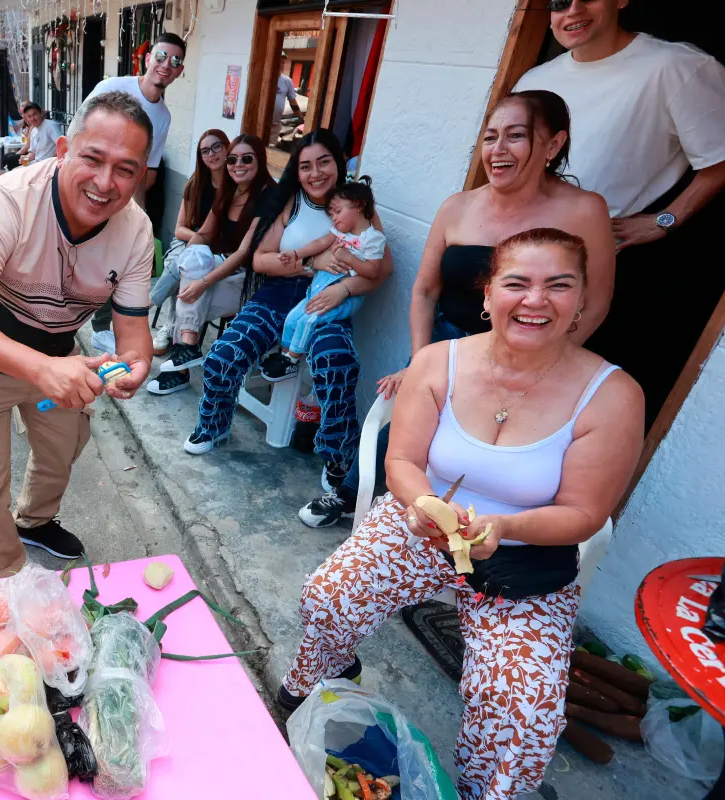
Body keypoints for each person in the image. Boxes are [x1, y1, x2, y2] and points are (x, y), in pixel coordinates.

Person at [282, 228, 644, 800]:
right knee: (329, 595)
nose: (534, 300)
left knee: (521, 711)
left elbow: (584, 511)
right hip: (422, 525)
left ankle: (482, 790)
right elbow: (401, 458)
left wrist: (507, 528)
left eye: (558, 285)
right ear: (487, 293)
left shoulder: (613, 394)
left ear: (581, 301)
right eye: (517, 283)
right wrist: (422, 503)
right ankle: (323, 671)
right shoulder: (437, 361)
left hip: (525, 555)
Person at [299, 91, 615, 528]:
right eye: (490, 137)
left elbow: (595, 300)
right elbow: (425, 290)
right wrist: (421, 357)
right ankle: (354, 497)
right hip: (447, 341)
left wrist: (548, 363)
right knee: (401, 429)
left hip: (531, 354)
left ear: (554, 144)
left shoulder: (583, 211)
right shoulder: (458, 207)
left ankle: (478, 531)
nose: (498, 149)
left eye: (516, 136)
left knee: (493, 445)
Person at [0, 91, 157, 579]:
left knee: (62, 450)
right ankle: (4, 583)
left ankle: (34, 521)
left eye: (125, 169)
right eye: (93, 159)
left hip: (59, 354)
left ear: (140, 176)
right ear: (61, 151)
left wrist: (137, 364)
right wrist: (40, 368)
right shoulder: (8, 201)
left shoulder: (137, 232)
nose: (104, 183)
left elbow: (134, 332)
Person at [515, 0, 725, 431]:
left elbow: (719, 159)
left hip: (616, 270)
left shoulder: (676, 68)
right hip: (527, 261)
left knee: (576, 406)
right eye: (557, 2)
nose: (571, 10)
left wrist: (665, 219)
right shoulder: (536, 80)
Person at [185, 131, 390, 491]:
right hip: (280, 294)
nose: (315, 174)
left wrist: (341, 288)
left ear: (339, 162)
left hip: (328, 301)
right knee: (223, 354)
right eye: (305, 165)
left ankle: (339, 455)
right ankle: (213, 425)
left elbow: (380, 270)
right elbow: (261, 261)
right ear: (296, 170)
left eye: (324, 162)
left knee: (337, 362)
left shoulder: (357, 206)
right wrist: (311, 262)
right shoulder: (289, 203)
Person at [146, 134, 273, 396]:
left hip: (249, 280)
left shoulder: (268, 196)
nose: (238, 165)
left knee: (190, 296)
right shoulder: (229, 191)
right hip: (221, 268)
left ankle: (180, 368)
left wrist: (201, 282)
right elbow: (203, 234)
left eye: (247, 159)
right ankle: (188, 347)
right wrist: (187, 263)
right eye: (233, 160)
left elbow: (242, 253)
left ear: (260, 160)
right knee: (192, 264)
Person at [87, 32, 187, 356]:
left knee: (117, 259)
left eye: (174, 61)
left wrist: (138, 216)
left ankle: (104, 327)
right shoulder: (111, 88)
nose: (165, 65)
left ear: (179, 71)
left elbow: (148, 172)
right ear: (147, 59)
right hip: (89, 186)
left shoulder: (164, 117)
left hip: (120, 197)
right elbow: (79, 136)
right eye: (161, 56)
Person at [264, 179, 386, 380]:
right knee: (293, 318)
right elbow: (319, 243)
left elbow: (374, 272)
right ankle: (284, 354)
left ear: (359, 205)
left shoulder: (373, 239)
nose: (334, 218)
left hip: (343, 295)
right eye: (331, 214)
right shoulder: (339, 233)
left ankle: (292, 360)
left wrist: (350, 259)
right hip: (318, 287)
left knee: (309, 320)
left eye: (338, 211)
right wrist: (296, 254)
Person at [150, 128, 229, 355]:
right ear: (200, 157)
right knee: (182, 262)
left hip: (217, 249)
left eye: (216, 147)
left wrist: (202, 242)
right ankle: (171, 325)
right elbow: (179, 229)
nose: (211, 154)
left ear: (227, 149)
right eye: (205, 151)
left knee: (187, 267)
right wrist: (198, 239)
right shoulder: (195, 184)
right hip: (187, 241)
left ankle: (161, 313)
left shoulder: (235, 187)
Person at [273, 52, 304, 145]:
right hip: (260, 124)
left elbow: (293, 103)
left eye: (283, 62)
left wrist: (302, 119)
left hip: (275, 125)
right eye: (279, 62)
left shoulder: (287, 81)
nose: (281, 64)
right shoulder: (264, 78)